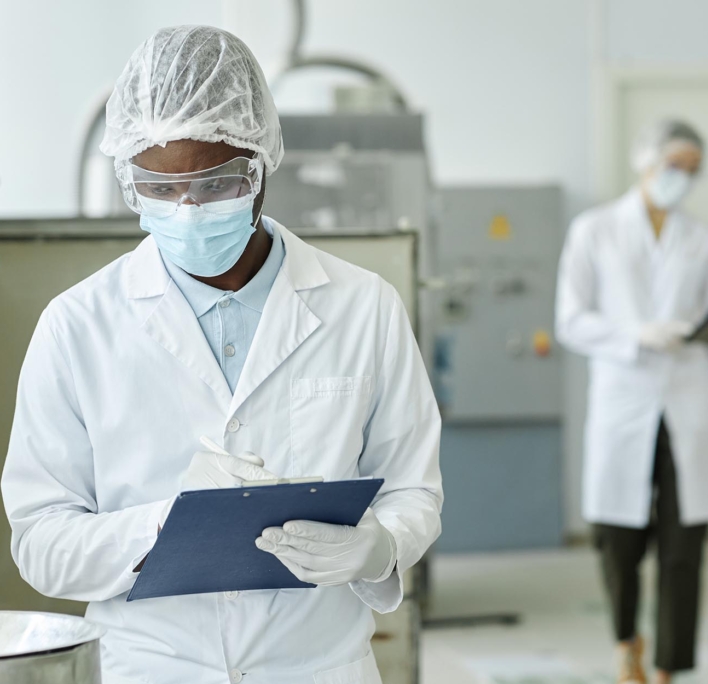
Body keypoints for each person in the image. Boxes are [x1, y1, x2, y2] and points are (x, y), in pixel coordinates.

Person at [0, 26, 442, 684]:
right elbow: (42, 542)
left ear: (260, 162)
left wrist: (377, 548)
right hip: (149, 668)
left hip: (316, 665)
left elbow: (413, 489)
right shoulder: (77, 326)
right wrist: (167, 525)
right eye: (159, 188)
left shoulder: (362, 306)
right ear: (128, 180)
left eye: (215, 185)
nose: (187, 210)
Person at [556, 120, 708, 684]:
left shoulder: (705, 240)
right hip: (625, 403)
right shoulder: (595, 229)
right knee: (618, 541)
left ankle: (670, 666)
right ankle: (626, 641)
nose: (682, 177)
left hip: (689, 403)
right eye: (673, 164)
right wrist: (635, 336)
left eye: (692, 168)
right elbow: (571, 321)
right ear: (646, 161)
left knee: (684, 547)